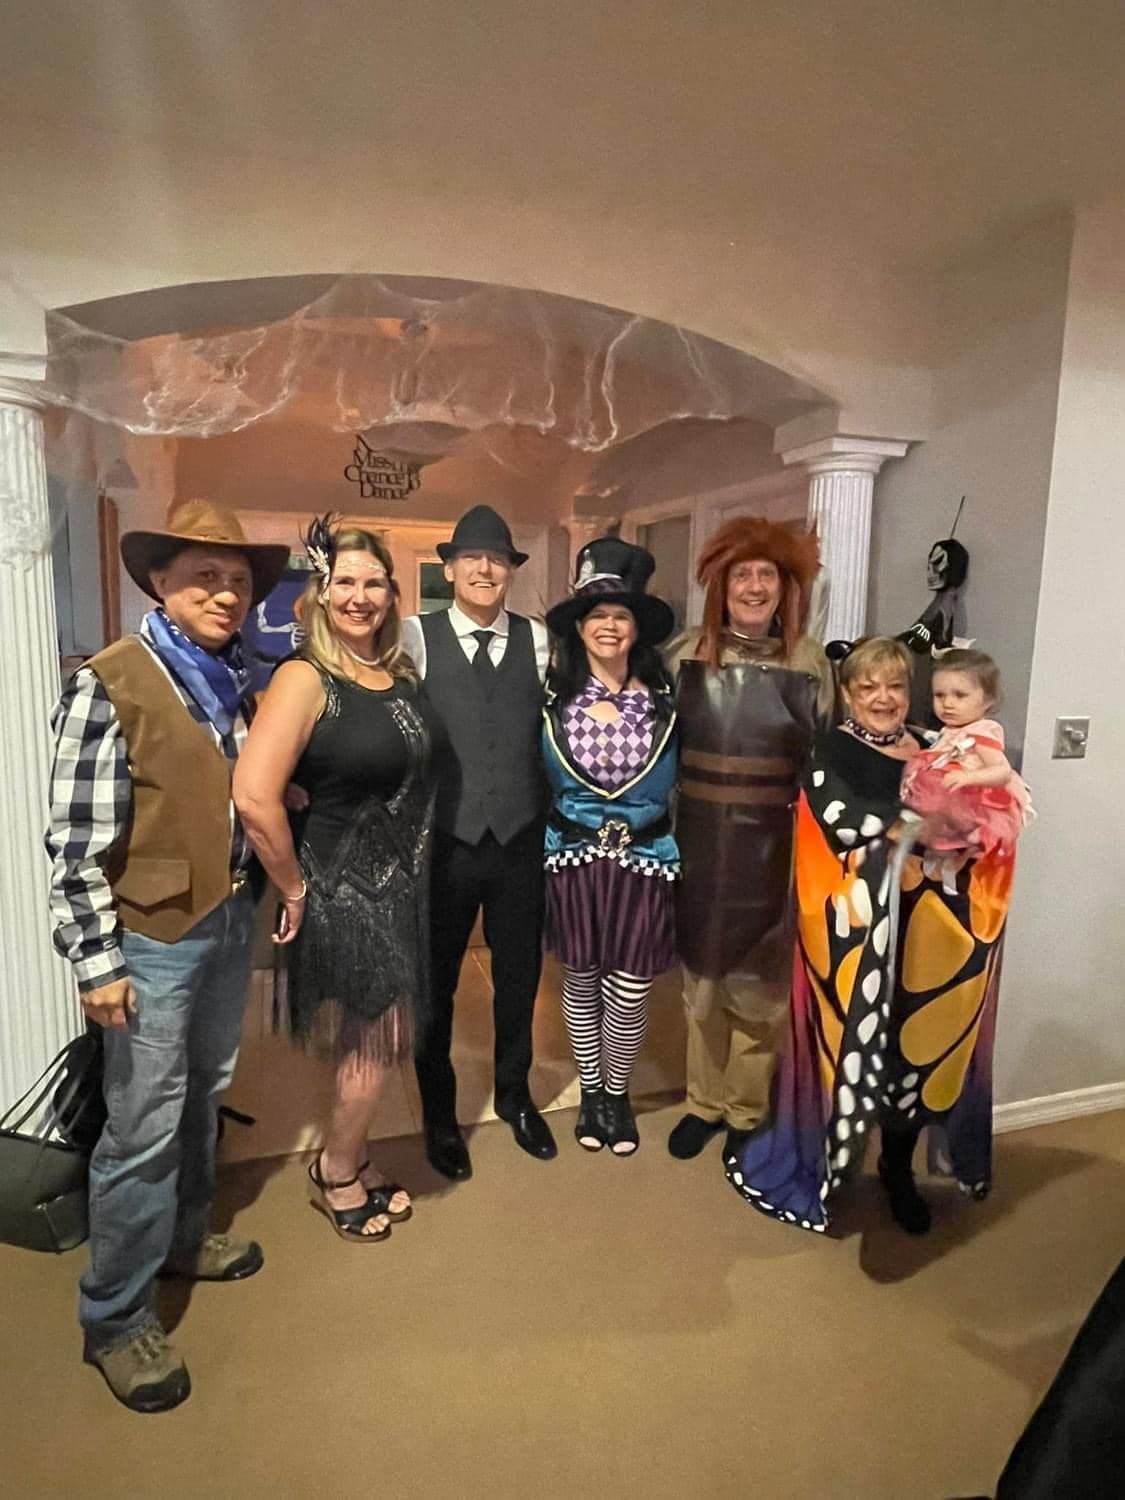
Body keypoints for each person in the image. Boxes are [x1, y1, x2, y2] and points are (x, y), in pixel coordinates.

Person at [45, 499, 289, 1413]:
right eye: (205, 577)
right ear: (159, 582)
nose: (225, 593)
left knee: (203, 1096)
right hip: (149, 940)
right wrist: (96, 960)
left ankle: (187, 1239)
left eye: (236, 580)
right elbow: (73, 843)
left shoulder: (233, 680)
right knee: (141, 1126)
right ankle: (114, 1318)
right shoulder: (111, 680)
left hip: (224, 921)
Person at [731, 636, 1017, 1234]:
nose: (884, 699)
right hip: (861, 941)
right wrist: (912, 828)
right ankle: (832, 1165)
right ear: (848, 693)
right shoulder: (829, 751)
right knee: (862, 1052)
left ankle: (897, 1169)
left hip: (929, 938)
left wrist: (975, 830)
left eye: (895, 686)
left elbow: (988, 807)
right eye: (869, 687)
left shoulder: (937, 744)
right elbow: (838, 822)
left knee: (916, 1054)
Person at [234, 519, 438, 1242]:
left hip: (400, 882)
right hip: (342, 885)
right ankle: (337, 1169)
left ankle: (349, 1153)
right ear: (320, 594)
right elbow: (256, 795)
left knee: (374, 1036)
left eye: (373, 583)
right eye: (344, 582)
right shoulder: (303, 678)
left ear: (391, 594)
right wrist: (293, 888)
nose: (359, 596)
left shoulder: (393, 676)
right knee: (379, 1036)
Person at [667, 517, 834, 1163]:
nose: (755, 586)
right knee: (702, 988)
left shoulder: (809, 662)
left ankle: (744, 1107)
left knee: (758, 993)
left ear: (784, 587)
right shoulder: (684, 654)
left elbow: (827, 765)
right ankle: (702, 1104)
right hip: (699, 848)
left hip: (775, 852)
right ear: (721, 585)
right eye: (743, 575)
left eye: (767, 575)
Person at [399, 505, 556, 1179]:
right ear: (450, 568)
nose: (484, 569)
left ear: (511, 572)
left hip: (521, 836)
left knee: (518, 979)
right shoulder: (414, 635)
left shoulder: (541, 641)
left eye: (497, 560)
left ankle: (516, 1096)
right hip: (445, 840)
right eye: (471, 559)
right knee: (432, 982)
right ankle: (439, 1113)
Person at [542, 537, 679, 1155]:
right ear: (580, 628)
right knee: (581, 978)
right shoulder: (551, 701)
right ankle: (591, 1090)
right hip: (572, 856)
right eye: (597, 615)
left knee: (629, 982)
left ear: (636, 629)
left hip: (646, 859)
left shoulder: (669, 705)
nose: (609, 626)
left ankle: (616, 1092)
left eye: (620, 616)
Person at [902, 648, 1034, 872]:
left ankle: (961, 851)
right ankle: (943, 853)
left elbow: (1001, 770)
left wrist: (969, 777)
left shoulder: (982, 731)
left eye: (960, 695)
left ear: (988, 699)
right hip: (950, 799)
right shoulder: (949, 731)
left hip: (973, 800)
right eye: (939, 695)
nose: (948, 703)